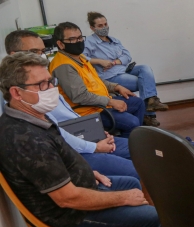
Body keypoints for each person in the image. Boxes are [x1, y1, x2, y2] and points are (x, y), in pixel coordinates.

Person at [0, 52, 193, 227]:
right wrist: (122, 198)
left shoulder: (31, 116)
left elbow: (59, 162)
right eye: (42, 85)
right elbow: (67, 198)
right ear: (16, 92)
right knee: (150, 215)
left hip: (79, 189)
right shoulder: (25, 140)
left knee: (133, 181)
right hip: (68, 215)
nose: (51, 90)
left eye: (51, 81)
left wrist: (89, 171)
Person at [4, 30, 138, 179]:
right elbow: (56, 134)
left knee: (142, 149)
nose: (41, 55)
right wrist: (95, 146)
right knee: (134, 169)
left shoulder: (60, 69)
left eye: (42, 51)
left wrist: (95, 132)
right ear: (13, 55)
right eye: (34, 51)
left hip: (82, 133)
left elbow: (67, 117)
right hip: (73, 149)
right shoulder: (23, 99)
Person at [49, 22, 146, 137]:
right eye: (72, 39)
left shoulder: (80, 58)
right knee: (132, 122)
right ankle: (126, 147)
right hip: (89, 111)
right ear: (60, 44)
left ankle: (132, 138)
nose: (79, 41)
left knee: (138, 102)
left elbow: (96, 80)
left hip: (101, 104)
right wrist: (110, 102)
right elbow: (80, 97)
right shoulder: (64, 66)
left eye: (80, 38)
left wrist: (116, 87)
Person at [83, 12, 167, 127]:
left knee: (145, 68)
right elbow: (82, 58)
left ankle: (151, 105)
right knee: (144, 82)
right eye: (100, 26)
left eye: (105, 24)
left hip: (124, 69)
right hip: (110, 75)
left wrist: (114, 62)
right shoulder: (89, 42)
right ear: (92, 28)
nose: (104, 27)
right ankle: (149, 114)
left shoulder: (114, 40)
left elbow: (127, 56)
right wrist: (99, 61)